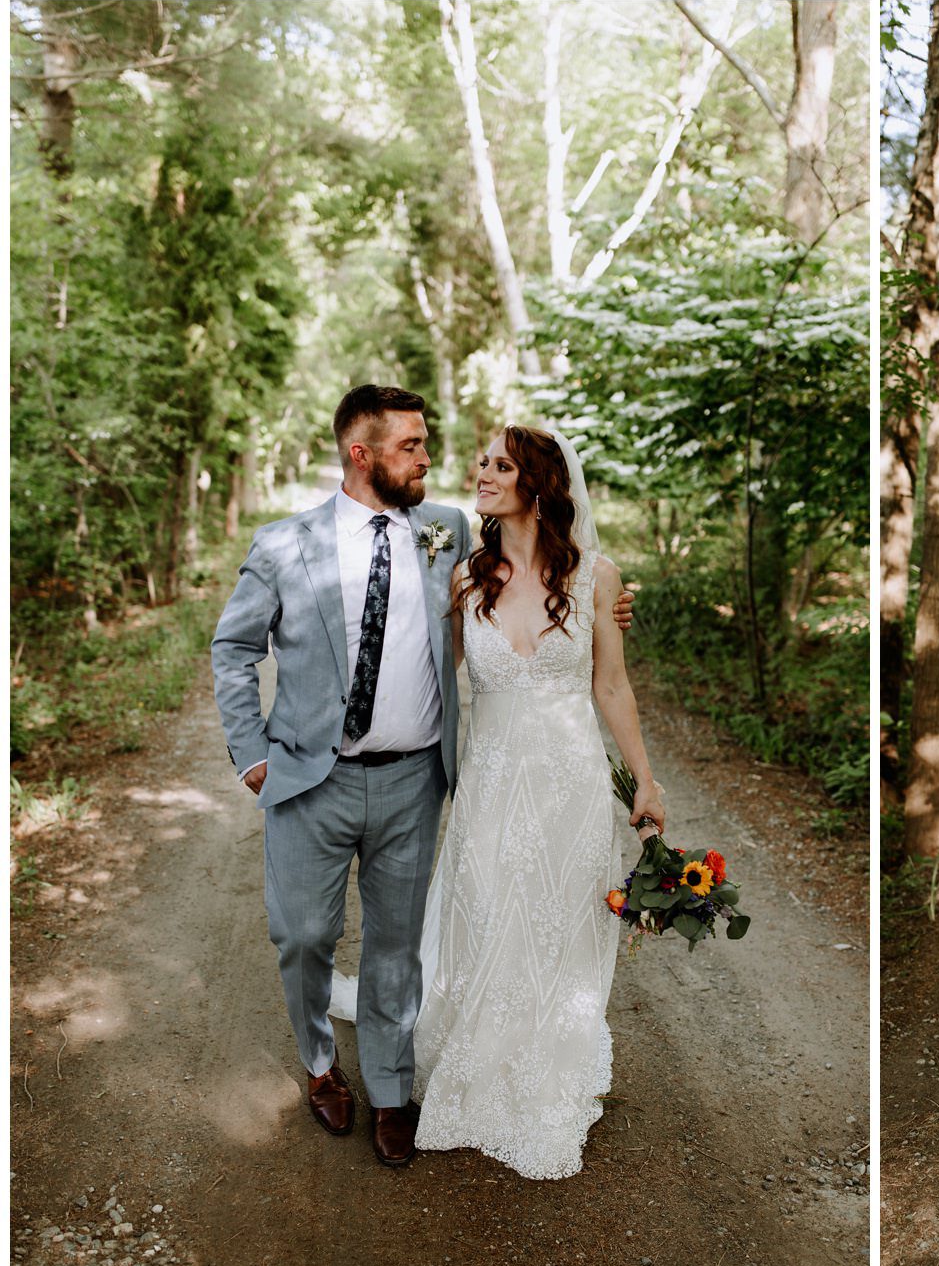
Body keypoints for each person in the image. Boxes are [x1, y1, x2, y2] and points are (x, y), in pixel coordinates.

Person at [212, 386, 632, 1169]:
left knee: (399, 947)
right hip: (310, 779)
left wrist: (608, 606)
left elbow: (532, 581)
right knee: (302, 935)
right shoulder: (283, 546)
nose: (431, 460)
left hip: (413, 779)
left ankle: (394, 1089)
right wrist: (252, 751)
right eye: (411, 447)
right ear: (360, 453)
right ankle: (317, 1065)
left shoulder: (444, 532)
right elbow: (234, 652)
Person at [343, 422, 660, 1180]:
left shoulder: (597, 579)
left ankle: (547, 1065)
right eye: (482, 462)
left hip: (571, 784)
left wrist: (645, 780)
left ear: (539, 485)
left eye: (500, 465)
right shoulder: (463, 577)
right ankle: (476, 1061)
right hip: (488, 783)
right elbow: (424, 674)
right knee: (485, 914)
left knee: (559, 928)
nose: (481, 474)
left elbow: (610, 685)